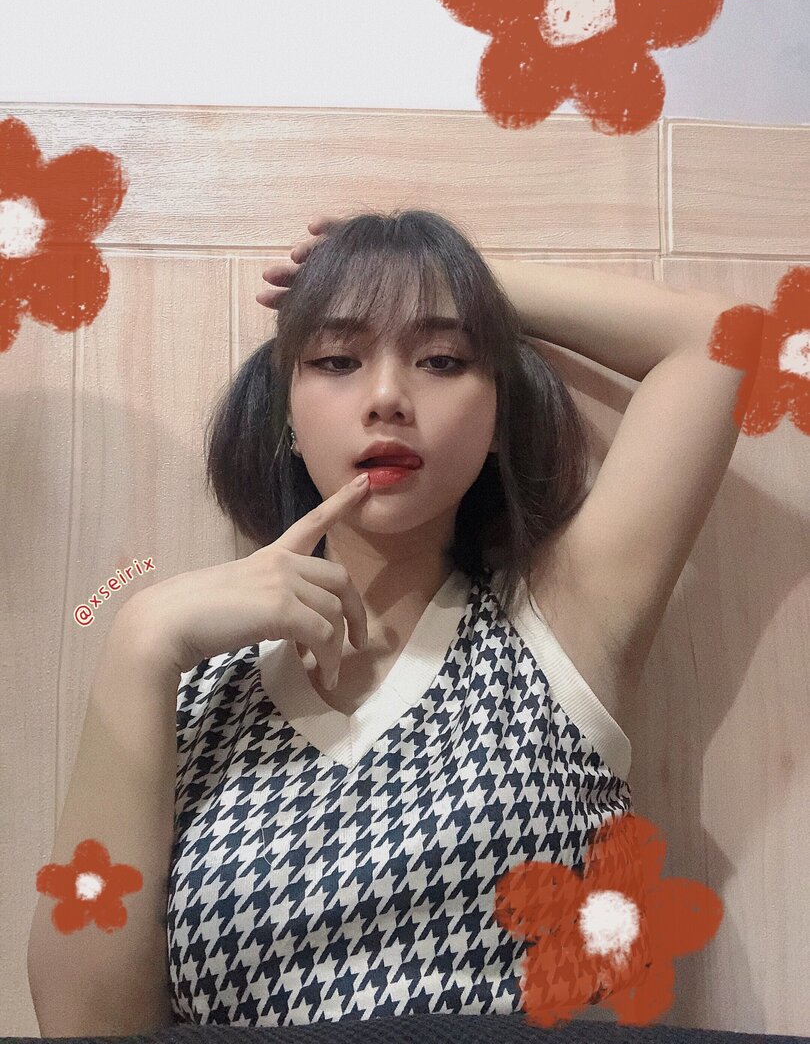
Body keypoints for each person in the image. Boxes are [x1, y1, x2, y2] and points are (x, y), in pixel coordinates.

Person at [30, 208, 740, 1034]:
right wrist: (142, 638)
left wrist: (444, 275)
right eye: (338, 359)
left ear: (497, 420)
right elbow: (82, 1025)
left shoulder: (558, 629)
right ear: (287, 422)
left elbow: (725, 341)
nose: (388, 398)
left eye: (443, 359)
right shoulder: (190, 698)